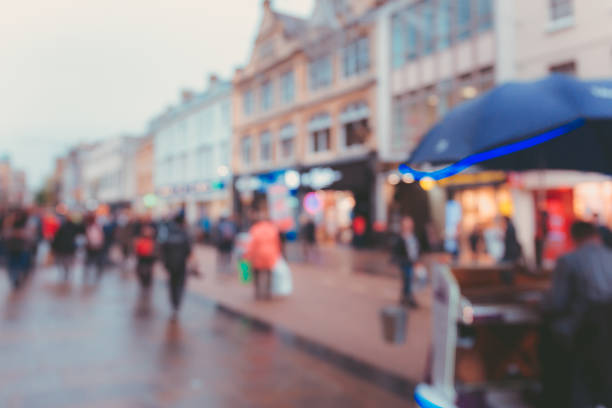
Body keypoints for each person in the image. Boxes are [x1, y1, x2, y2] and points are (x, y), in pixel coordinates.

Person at [541, 221, 612, 407]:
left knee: (548, 337)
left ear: (573, 237)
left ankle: (554, 397)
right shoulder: (609, 258)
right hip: (606, 332)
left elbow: (556, 302)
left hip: (581, 329)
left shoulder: (569, 261)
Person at [159, 212, 192, 318]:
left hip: (170, 264)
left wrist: (164, 262)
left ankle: (174, 303)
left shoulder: (167, 232)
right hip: (181, 264)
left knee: (172, 284)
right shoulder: (184, 233)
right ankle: (177, 303)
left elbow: (162, 249)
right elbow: (188, 250)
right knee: (180, 284)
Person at [246, 215, 281, 300]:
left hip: (258, 254)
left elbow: (252, 244)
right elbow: (277, 243)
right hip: (270, 255)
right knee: (269, 273)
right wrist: (277, 254)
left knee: (257, 273)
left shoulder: (255, 229)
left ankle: (258, 292)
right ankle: (268, 292)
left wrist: (248, 255)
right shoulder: (272, 229)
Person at [391, 216, 420, 308]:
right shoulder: (400, 238)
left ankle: (406, 296)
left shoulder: (414, 237)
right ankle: (407, 297)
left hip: (414, 261)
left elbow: (418, 249)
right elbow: (396, 252)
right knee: (408, 277)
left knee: (413, 279)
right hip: (405, 263)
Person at [4, 210, 30, 289]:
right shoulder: (9, 223)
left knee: (19, 263)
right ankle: (14, 277)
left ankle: (17, 277)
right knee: (11, 263)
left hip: (21, 247)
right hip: (11, 246)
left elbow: (28, 234)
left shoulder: (25, 223)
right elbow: (5, 234)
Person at [51, 214, 80, 281]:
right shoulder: (73, 227)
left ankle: (65, 271)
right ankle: (67, 271)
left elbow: (57, 237)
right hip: (69, 247)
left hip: (63, 247)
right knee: (68, 260)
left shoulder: (62, 227)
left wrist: (54, 246)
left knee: (63, 260)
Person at [134, 225, 156, 290]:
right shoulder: (141, 240)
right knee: (141, 269)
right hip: (142, 256)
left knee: (148, 270)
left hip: (149, 256)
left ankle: (147, 283)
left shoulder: (151, 240)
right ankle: (144, 282)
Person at [84, 213, 105, 282]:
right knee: (91, 260)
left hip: (95, 245)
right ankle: (91, 273)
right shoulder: (90, 226)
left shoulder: (95, 227)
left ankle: (96, 273)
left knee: (95, 260)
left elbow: (100, 236)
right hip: (92, 246)